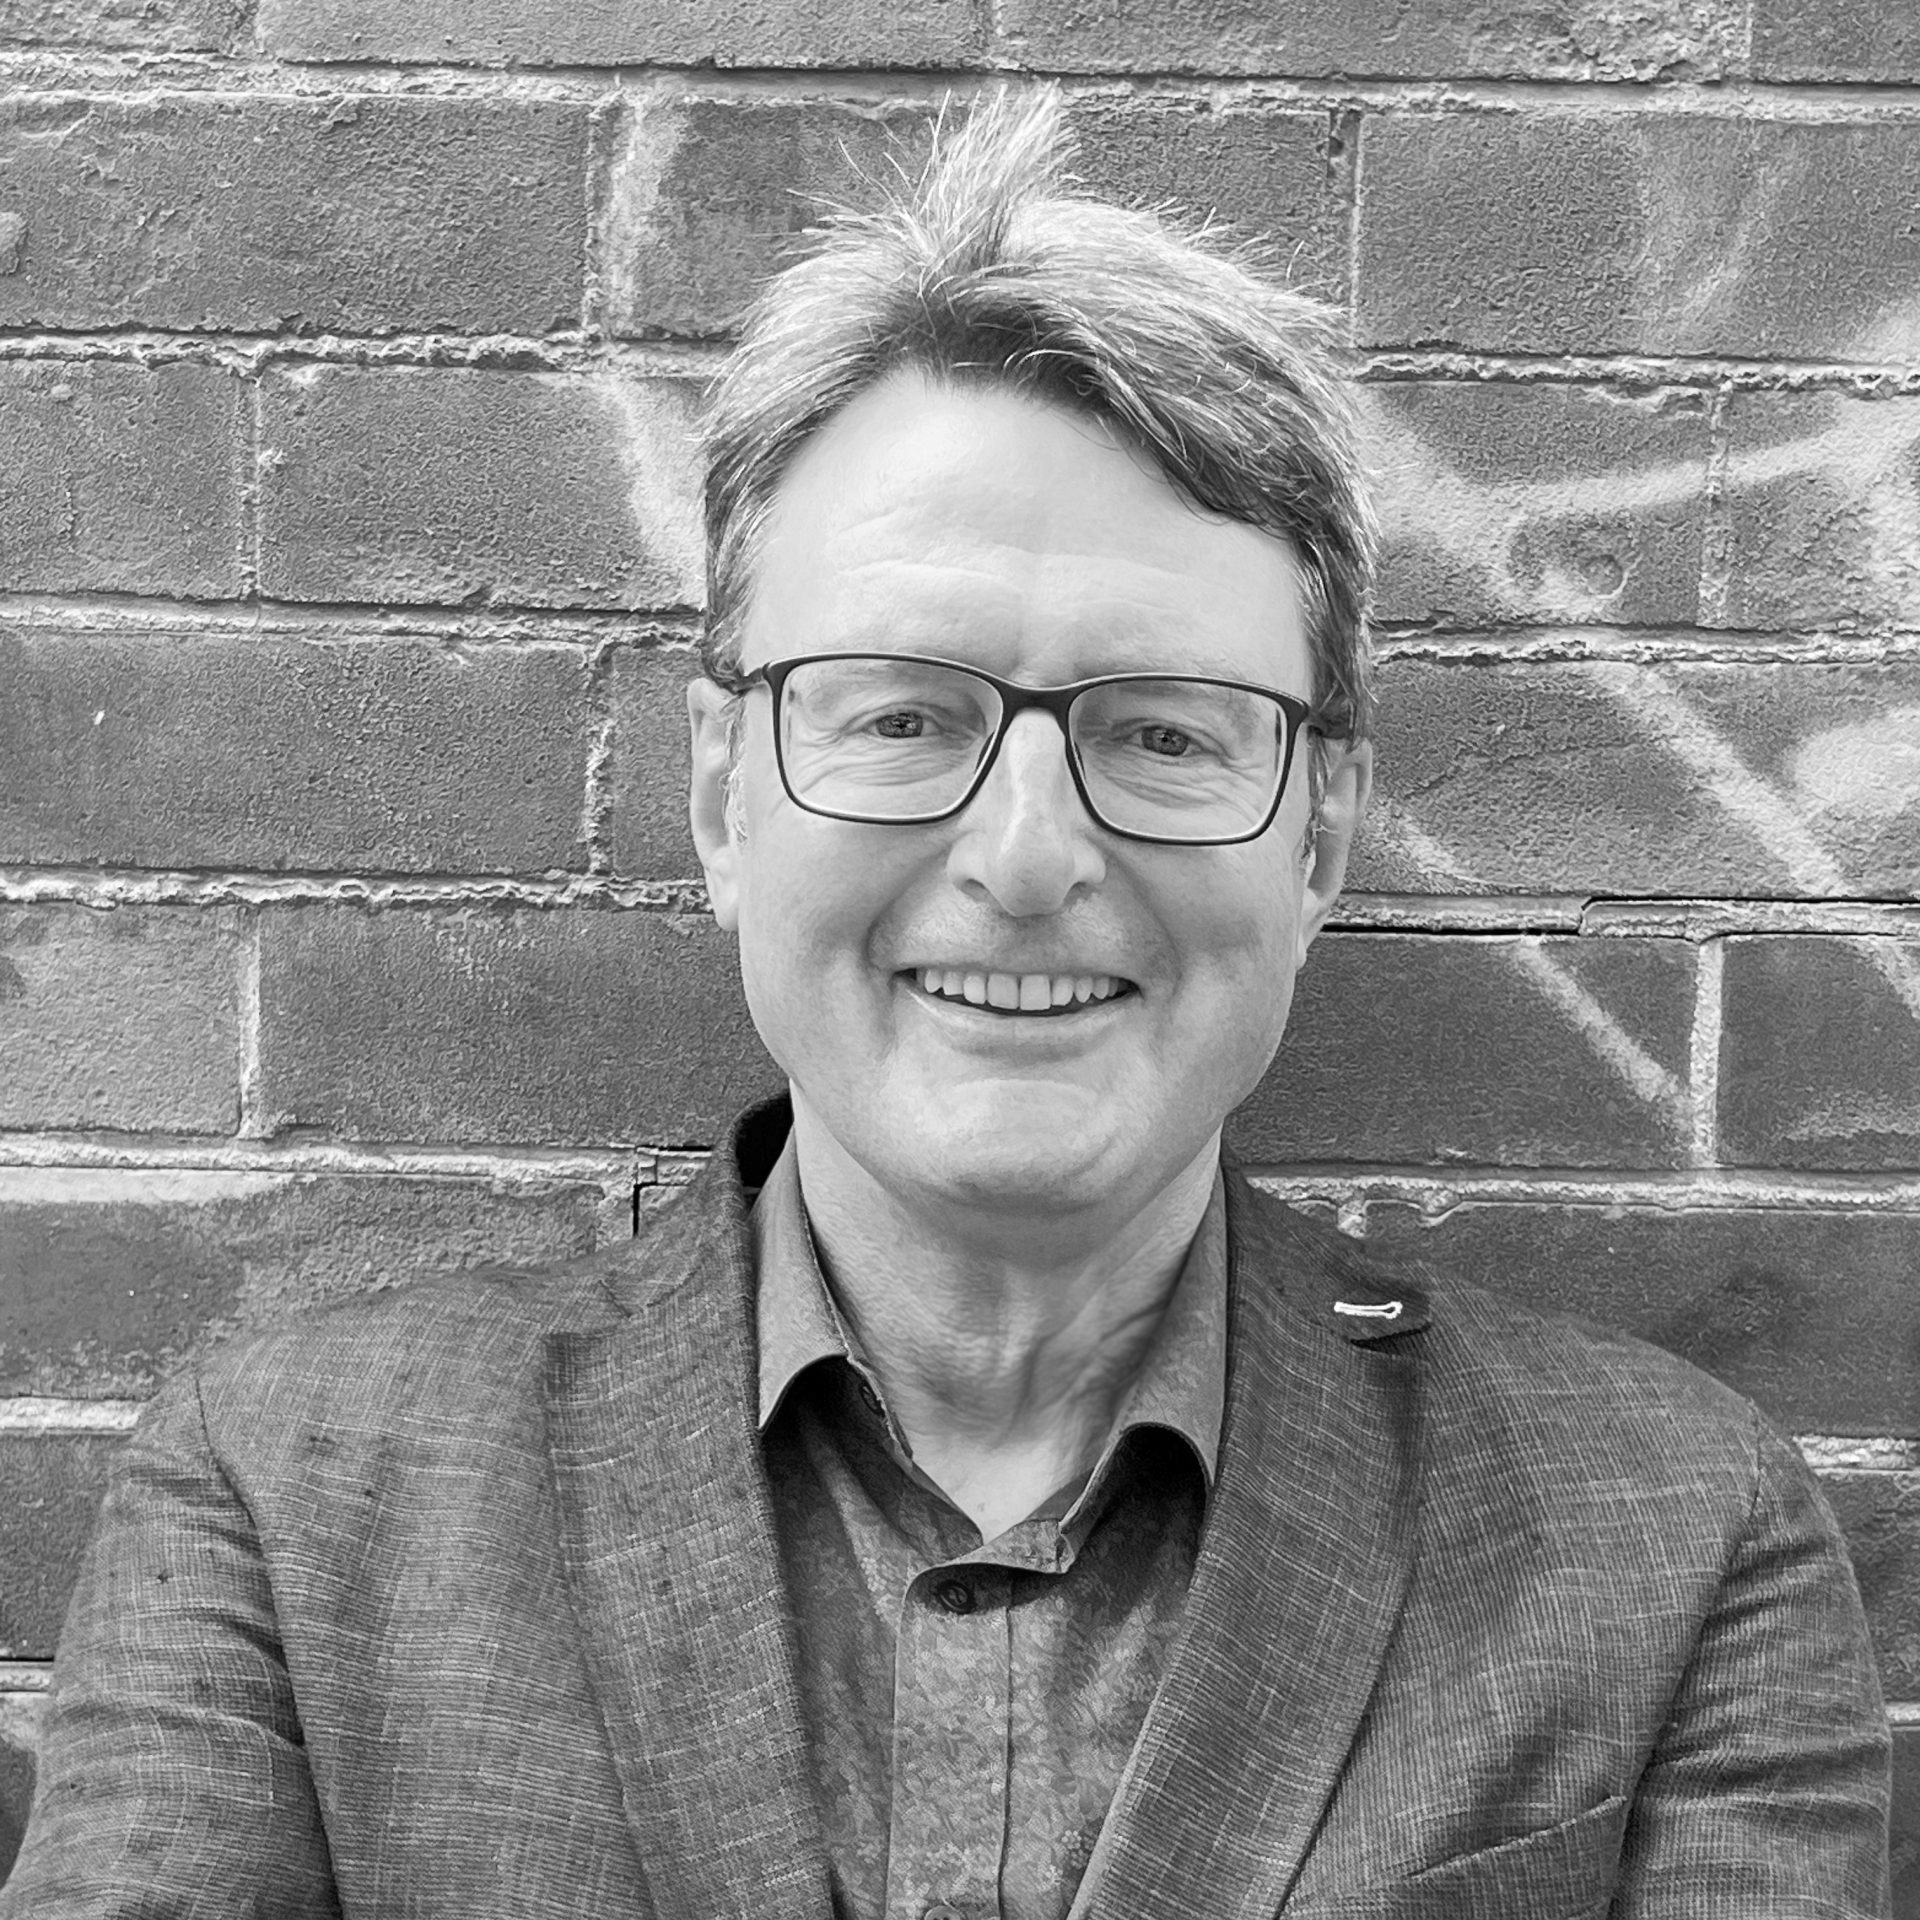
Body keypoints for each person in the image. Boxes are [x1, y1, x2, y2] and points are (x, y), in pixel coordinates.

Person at [2, 88, 1889, 1919]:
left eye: (1162, 732)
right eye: (903, 713)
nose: (1027, 852)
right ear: (725, 800)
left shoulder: (1676, 1544)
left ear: (1318, 846)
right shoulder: (289, 1494)